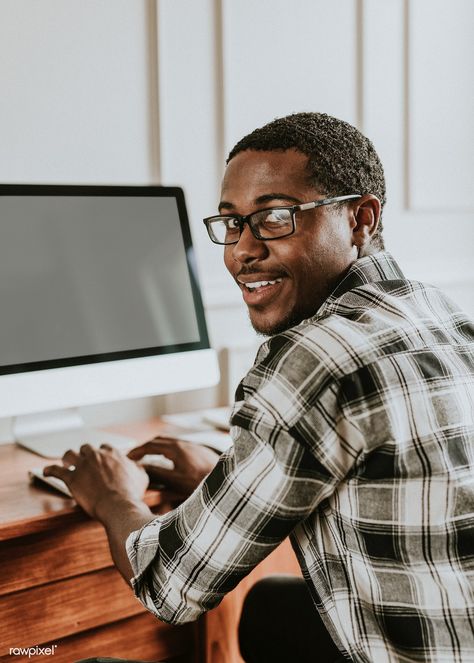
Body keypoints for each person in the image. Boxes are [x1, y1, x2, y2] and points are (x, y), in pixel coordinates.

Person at [45, 112, 474, 663]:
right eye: (231, 223)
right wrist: (224, 477)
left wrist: (112, 496)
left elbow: (169, 586)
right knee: (271, 609)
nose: (241, 251)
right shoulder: (438, 313)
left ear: (360, 218)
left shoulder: (312, 359)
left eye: (274, 218)